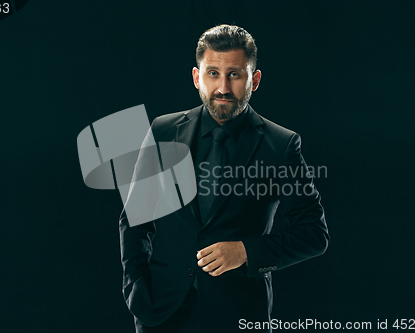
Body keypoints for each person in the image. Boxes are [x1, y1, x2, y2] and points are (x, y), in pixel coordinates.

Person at [119, 24, 329, 333]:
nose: (223, 88)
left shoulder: (281, 145)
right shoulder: (163, 131)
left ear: (254, 80)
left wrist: (246, 251)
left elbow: (314, 234)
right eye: (213, 73)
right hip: (161, 313)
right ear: (196, 77)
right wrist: (135, 289)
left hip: (239, 313)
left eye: (235, 74)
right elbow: (134, 220)